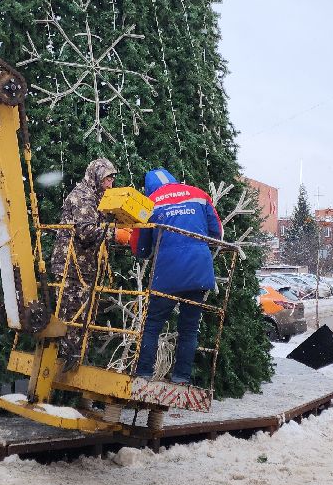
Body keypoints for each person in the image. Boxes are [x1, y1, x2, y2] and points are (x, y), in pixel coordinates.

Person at [133, 168, 223, 385]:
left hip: (167, 273)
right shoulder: (199, 195)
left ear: (149, 188)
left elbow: (140, 248)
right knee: (189, 327)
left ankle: (144, 373)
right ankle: (182, 376)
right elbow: (217, 232)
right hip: (199, 271)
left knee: (153, 323)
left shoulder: (150, 202)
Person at [49, 157, 118, 363]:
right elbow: (87, 231)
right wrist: (116, 234)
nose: (110, 184)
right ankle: (68, 356)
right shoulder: (82, 196)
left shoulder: (99, 201)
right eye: (107, 179)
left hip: (86, 267)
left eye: (112, 179)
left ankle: (79, 356)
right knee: (70, 312)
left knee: (85, 315)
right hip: (70, 266)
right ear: (95, 177)